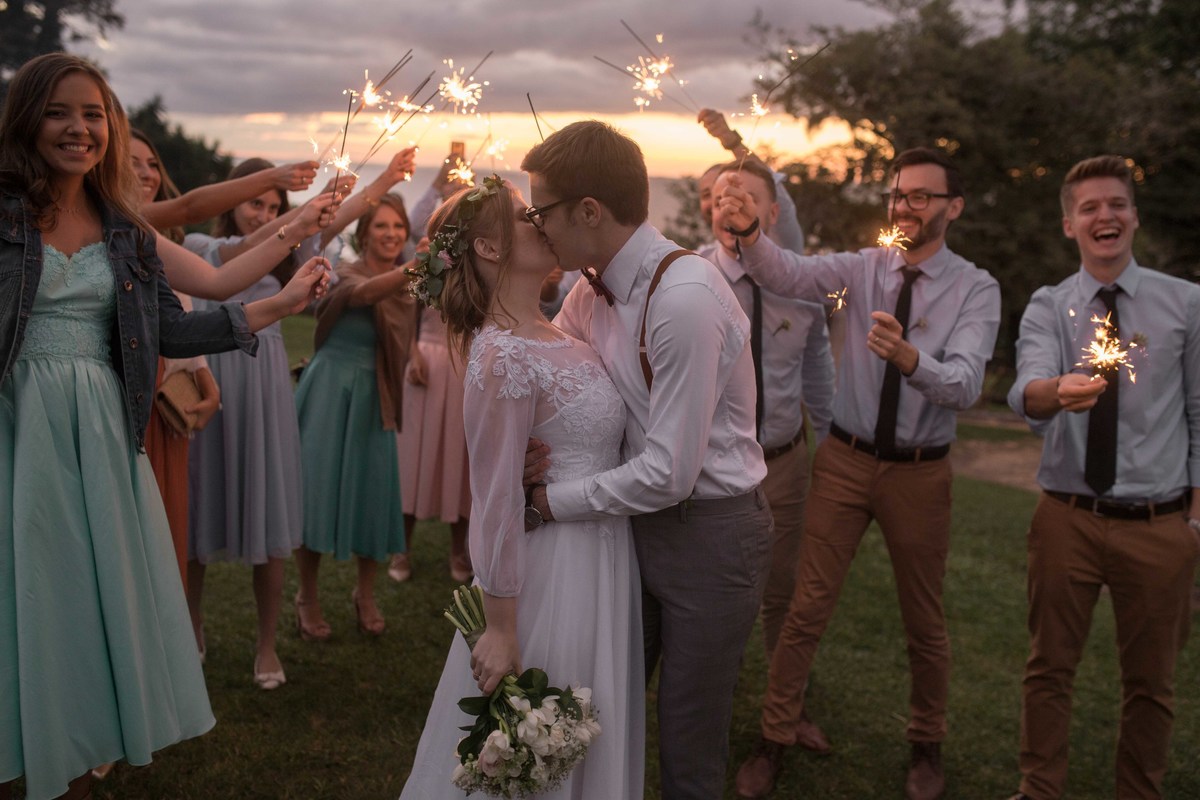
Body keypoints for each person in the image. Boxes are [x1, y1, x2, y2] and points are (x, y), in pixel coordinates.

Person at [0, 53, 328, 800]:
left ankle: (74, 756)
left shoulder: (124, 230)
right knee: (21, 595)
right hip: (17, 429)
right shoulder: (5, 212)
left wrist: (300, 230)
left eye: (93, 115)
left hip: (100, 439)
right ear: (27, 120)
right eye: (59, 112)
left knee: (80, 605)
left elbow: (209, 287)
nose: (78, 128)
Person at [727, 147, 1001, 800]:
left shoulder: (976, 287)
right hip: (844, 461)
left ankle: (926, 746)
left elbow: (964, 386)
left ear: (952, 208)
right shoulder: (861, 268)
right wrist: (748, 231)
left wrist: (911, 359)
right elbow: (786, 271)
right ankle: (775, 736)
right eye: (898, 195)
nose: (904, 207)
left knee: (924, 621)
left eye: (920, 197)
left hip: (918, 473)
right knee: (805, 609)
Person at [522, 120, 772, 800]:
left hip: (711, 535)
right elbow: (561, 378)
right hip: (627, 523)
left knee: (688, 740)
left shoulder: (684, 301)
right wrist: (529, 447)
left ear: (589, 212)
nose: (533, 224)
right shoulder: (589, 285)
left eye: (539, 211)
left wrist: (549, 502)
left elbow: (669, 472)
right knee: (599, 704)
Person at [399, 176, 643, 798]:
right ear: (486, 247)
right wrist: (501, 628)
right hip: (551, 576)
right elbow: (495, 497)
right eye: (522, 215)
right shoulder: (499, 355)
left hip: (605, 558)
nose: (541, 220)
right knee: (541, 739)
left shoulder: (567, 331)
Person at [1004, 155, 1200, 800]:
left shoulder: (1187, 305)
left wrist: (1192, 518)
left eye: (1115, 203)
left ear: (1133, 217)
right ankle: (1041, 790)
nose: (1104, 216)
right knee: (1048, 669)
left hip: (1158, 524)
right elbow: (1026, 386)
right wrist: (1053, 390)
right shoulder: (1049, 306)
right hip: (1067, 518)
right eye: (1089, 207)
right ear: (1070, 225)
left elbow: (1199, 413)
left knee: (1152, 684)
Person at [183, 151, 398, 687]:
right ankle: (191, 627)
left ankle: (266, 645)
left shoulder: (293, 251)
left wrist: (383, 182)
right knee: (197, 504)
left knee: (270, 505)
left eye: (274, 205)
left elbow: (340, 221)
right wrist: (300, 216)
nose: (262, 213)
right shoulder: (200, 247)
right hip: (211, 373)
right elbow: (241, 252)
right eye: (254, 203)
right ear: (232, 203)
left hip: (264, 379)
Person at [698, 160, 836, 754]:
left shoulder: (800, 286)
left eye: (747, 196)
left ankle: (788, 709)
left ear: (773, 212)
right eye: (722, 194)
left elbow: (819, 377)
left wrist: (830, 450)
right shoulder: (689, 278)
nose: (732, 205)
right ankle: (705, 709)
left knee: (785, 594)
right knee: (707, 594)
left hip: (783, 461)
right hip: (707, 468)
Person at [294, 191, 417, 636]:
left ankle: (364, 592)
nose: (391, 234)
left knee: (372, 496)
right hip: (330, 390)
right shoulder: (345, 272)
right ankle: (307, 594)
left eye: (398, 227)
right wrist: (417, 267)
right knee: (316, 495)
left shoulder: (411, 287)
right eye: (381, 226)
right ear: (364, 234)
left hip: (375, 395)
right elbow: (362, 294)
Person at [389, 295, 473, 585]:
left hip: (465, 365)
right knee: (411, 457)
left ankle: (458, 552)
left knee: (461, 458)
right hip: (424, 364)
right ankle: (401, 548)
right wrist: (412, 355)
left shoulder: (485, 266)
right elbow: (404, 321)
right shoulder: (428, 262)